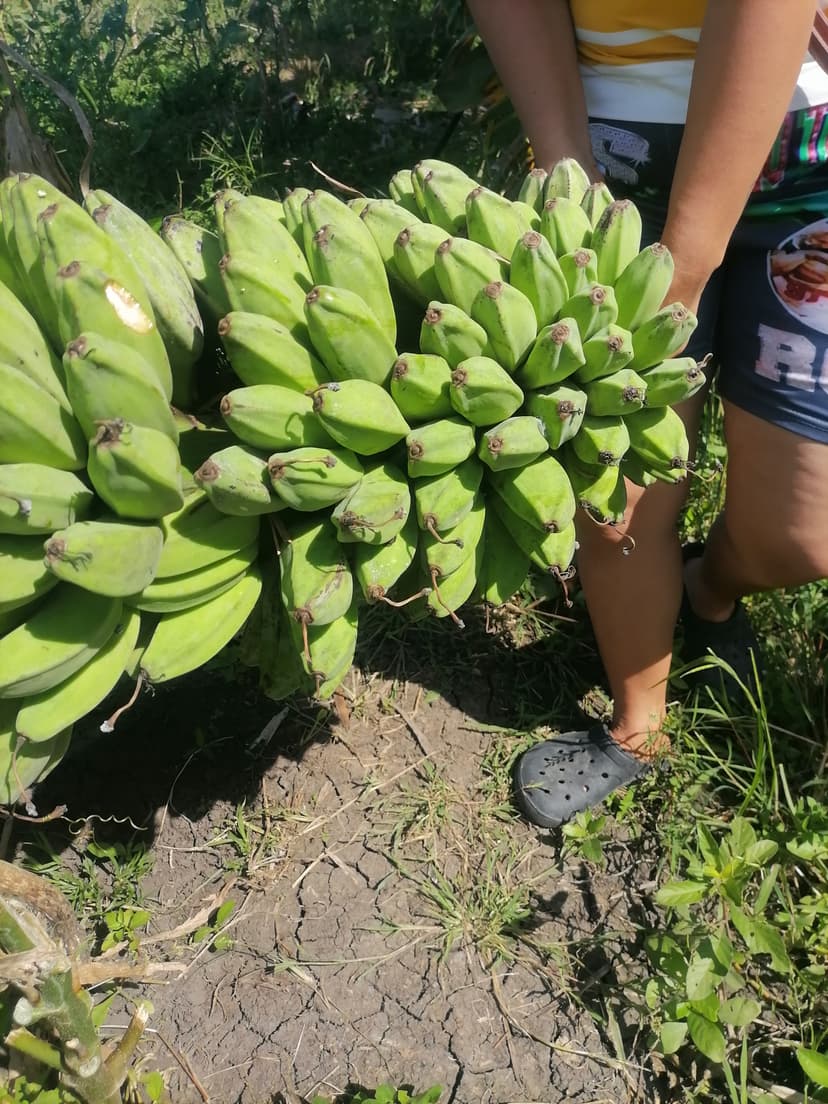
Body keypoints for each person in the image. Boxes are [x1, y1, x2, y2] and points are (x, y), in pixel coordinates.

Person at [465, 0, 828, 828]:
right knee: (616, 495)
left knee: (805, 532)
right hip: (616, 153)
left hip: (806, 154)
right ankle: (639, 723)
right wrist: (567, 170)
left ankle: (709, 588)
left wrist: (684, 272)